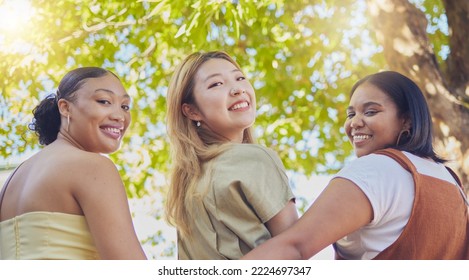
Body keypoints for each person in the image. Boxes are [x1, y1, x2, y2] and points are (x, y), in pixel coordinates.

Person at [243, 71, 469, 260]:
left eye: (371, 111)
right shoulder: (454, 185)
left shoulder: (377, 169)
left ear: (406, 120)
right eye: (351, 114)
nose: (354, 123)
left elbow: (295, 248)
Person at [0, 67, 147, 260]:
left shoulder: (11, 182)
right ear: (65, 107)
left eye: (125, 106)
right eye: (104, 101)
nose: (119, 116)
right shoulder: (94, 166)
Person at [165, 51, 298, 259]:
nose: (237, 89)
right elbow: (296, 249)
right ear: (191, 111)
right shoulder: (255, 159)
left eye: (240, 78)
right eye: (216, 84)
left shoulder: (185, 186)